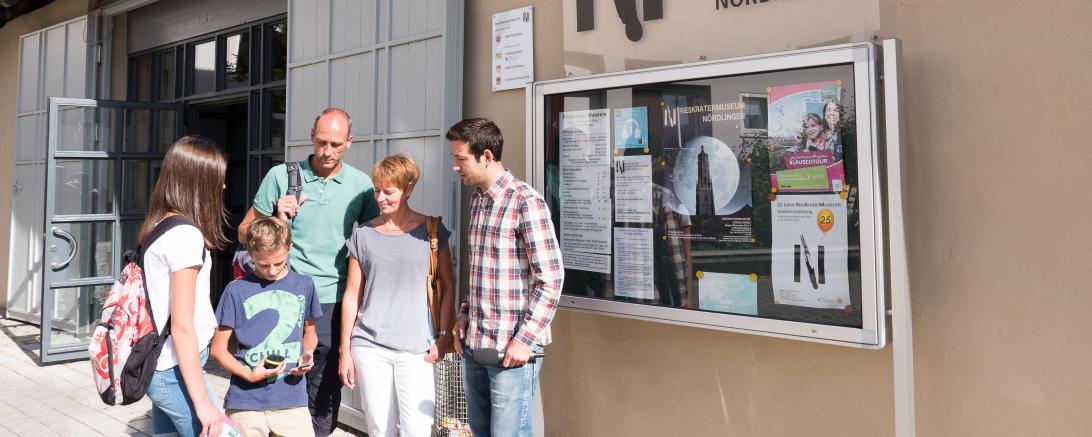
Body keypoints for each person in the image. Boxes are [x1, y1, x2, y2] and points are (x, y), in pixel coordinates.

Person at [237, 107, 380, 436]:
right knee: (277, 383)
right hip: (283, 296)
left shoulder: (361, 186)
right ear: (311, 138)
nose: (327, 151)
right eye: (321, 142)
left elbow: (374, 242)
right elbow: (245, 232)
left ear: (349, 142)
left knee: (323, 393)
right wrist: (273, 216)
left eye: (336, 144)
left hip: (333, 301)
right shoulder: (281, 177)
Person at [447, 118, 564, 437]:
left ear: (486, 155)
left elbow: (551, 279)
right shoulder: (478, 200)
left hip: (511, 352)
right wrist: (464, 314)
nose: (455, 167)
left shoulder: (526, 201)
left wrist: (524, 341)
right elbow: (484, 272)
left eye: (460, 159)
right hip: (475, 347)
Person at [338, 154, 456, 437]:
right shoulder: (363, 236)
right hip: (369, 346)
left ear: (408, 189)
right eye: (377, 190)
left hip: (417, 348)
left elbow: (448, 286)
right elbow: (352, 295)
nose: (380, 197)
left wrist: (444, 336)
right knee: (379, 428)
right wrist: (345, 351)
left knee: (417, 428)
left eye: (388, 191)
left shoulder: (432, 231)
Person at [141, 135, 228, 437]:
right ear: (199, 183)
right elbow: (182, 326)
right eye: (218, 180)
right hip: (173, 369)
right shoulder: (185, 236)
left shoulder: (161, 224)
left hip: (163, 366)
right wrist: (203, 403)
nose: (223, 187)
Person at [211, 217, 322, 437]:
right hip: (246, 400)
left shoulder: (305, 285)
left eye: (278, 263)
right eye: (263, 265)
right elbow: (217, 350)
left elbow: (310, 334)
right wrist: (249, 375)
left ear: (289, 248)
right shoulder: (236, 290)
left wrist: (307, 355)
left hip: (291, 398)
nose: (271, 271)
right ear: (250, 254)